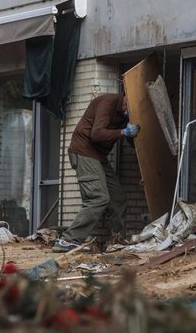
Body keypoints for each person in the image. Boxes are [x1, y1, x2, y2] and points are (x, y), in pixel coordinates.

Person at [53, 93, 139, 253]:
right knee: (98, 197)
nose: (131, 110)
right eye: (131, 105)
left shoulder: (124, 115)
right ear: (127, 96)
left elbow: (129, 139)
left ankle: (115, 241)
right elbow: (97, 133)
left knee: (118, 198)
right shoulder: (109, 102)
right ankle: (67, 240)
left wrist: (134, 135)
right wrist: (122, 132)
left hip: (98, 156)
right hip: (84, 151)